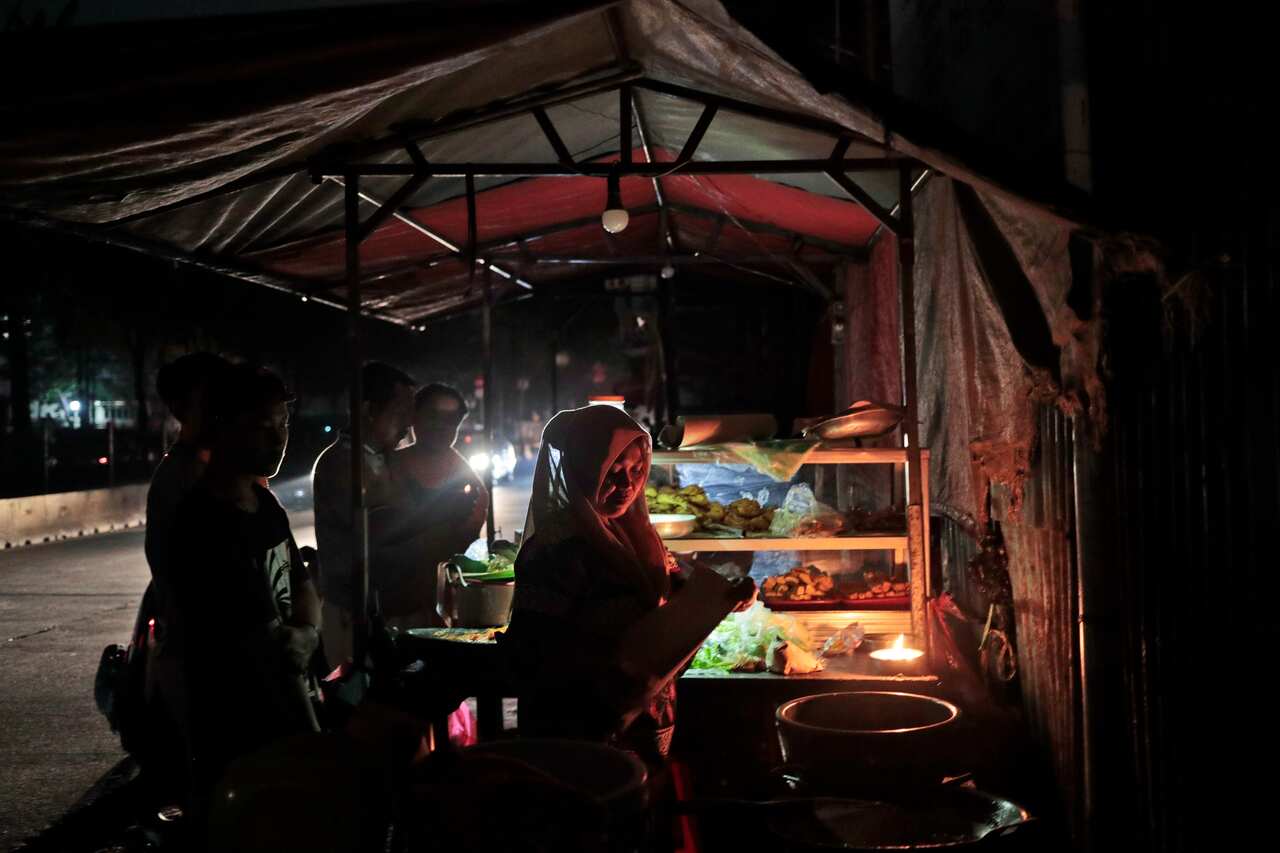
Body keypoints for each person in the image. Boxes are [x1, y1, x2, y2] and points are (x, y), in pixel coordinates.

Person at [503, 405, 755, 765]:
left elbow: (672, 585)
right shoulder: (554, 551)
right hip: (580, 731)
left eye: (637, 470)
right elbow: (537, 653)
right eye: (612, 472)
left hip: (645, 720)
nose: (627, 485)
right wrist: (612, 670)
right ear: (582, 470)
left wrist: (724, 595)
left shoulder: (636, 535)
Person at [169, 364, 322, 808]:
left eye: (284, 425)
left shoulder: (266, 505)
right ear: (223, 428)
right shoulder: (205, 522)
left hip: (290, 703)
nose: (279, 438)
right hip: (237, 719)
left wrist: (309, 631)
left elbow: (300, 579)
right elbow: (266, 642)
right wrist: (315, 742)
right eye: (263, 426)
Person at [385, 383, 488, 623]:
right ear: (414, 417)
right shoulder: (387, 465)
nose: (441, 426)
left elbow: (466, 545)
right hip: (390, 604)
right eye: (433, 416)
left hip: (446, 605)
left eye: (450, 419)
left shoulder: (468, 480)